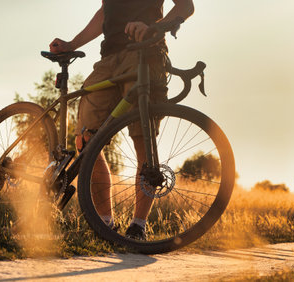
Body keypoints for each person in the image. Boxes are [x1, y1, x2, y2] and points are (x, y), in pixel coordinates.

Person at [50, 0, 195, 240]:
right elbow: (105, 12)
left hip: (146, 53)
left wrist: (154, 26)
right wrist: (72, 44)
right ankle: (105, 226)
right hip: (109, 59)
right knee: (86, 141)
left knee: (143, 138)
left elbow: (186, 6)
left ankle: (138, 227)